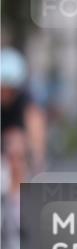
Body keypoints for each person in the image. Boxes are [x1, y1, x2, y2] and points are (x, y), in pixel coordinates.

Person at [1, 47, 48, 193]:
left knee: (15, 145)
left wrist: (37, 161)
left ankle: (16, 204)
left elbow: (36, 132)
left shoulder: (27, 102)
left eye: (9, 89)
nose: (5, 93)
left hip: (19, 141)